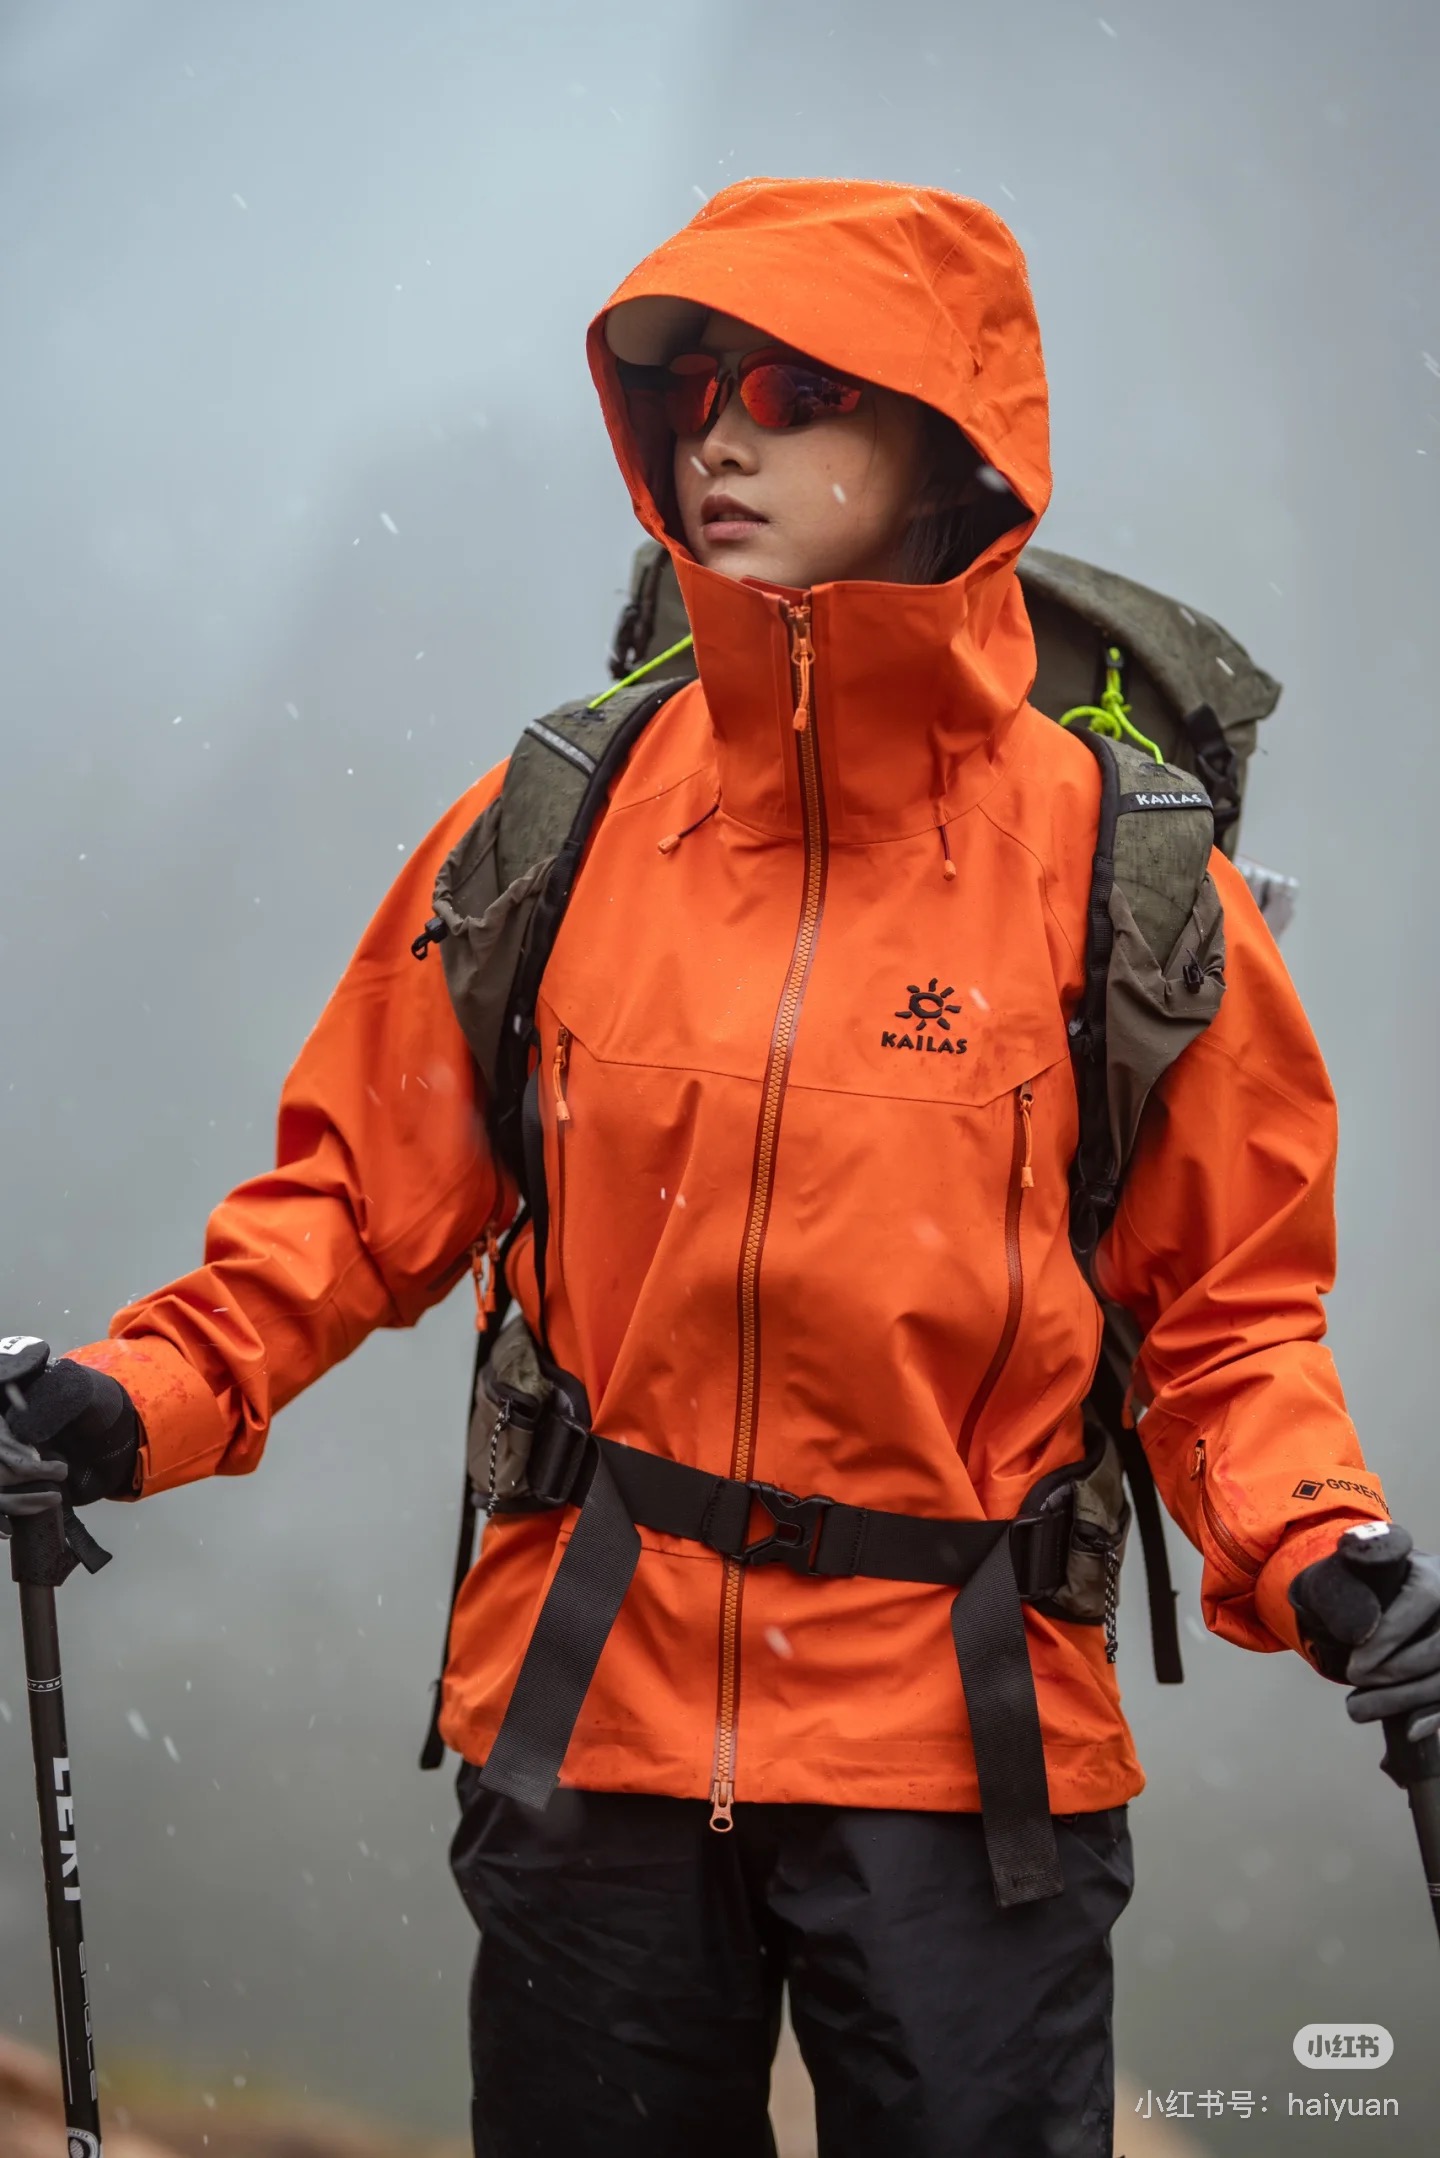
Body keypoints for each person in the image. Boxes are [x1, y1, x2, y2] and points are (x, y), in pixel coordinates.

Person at [2, 177, 1438, 2158]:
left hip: (966, 1765)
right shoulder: (564, 817)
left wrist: (1326, 1553)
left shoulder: (1117, 867)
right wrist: (126, 1395)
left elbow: (1229, 1316)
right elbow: (349, 1206)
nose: (721, 439)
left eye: (792, 389)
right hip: (593, 1723)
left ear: (943, 441)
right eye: (691, 392)